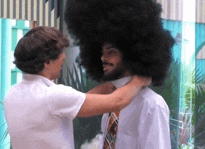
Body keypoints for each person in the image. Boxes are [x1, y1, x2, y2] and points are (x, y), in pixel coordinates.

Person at [3, 26, 151, 149]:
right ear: (47, 61)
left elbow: (79, 102)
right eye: (60, 52)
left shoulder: (12, 94)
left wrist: (113, 84)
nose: (64, 57)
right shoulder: (53, 96)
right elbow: (117, 101)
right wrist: (139, 80)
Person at [64, 0, 175, 148]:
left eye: (111, 52)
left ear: (132, 54)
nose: (103, 58)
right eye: (102, 53)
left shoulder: (151, 104)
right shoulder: (110, 101)